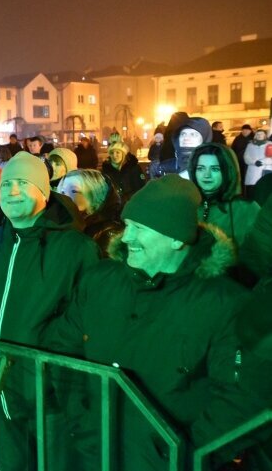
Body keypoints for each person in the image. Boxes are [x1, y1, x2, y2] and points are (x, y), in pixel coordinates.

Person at [48, 175, 259, 471]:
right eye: (128, 225)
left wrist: (180, 453)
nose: (126, 236)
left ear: (176, 238)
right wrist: (82, 421)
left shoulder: (226, 304)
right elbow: (62, 350)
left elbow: (239, 397)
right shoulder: (100, 281)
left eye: (139, 228)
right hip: (93, 451)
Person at [0, 152, 99, 470]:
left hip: (48, 396)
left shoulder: (76, 249)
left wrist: (47, 358)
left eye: (23, 183)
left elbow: (87, 320)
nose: (12, 192)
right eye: (7, 184)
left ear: (44, 191)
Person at [57, 169, 123, 256]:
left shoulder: (107, 234)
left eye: (74, 191)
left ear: (95, 195)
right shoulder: (60, 223)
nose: (64, 196)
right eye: (62, 191)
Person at [244, 129, 272, 199]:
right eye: (258, 134)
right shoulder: (250, 145)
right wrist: (254, 162)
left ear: (265, 135)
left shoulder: (270, 145)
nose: (259, 136)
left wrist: (263, 162)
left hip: (265, 170)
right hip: (253, 171)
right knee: (252, 191)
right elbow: (246, 157)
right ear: (255, 136)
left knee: (264, 191)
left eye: (261, 134)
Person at [232, 124, 254, 188]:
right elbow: (233, 148)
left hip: (251, 162)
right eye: (243, 130)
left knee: (250, 177)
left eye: (247, 130)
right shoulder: (237, 138)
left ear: (250, 131)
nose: (245, 131)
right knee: (241, 177)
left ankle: (249, 190)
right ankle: (242, 191)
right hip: (240, 161)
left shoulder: (253, 139)